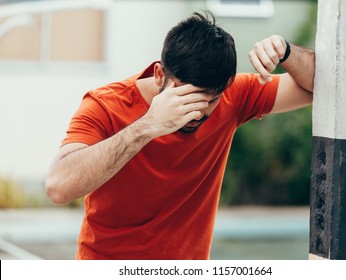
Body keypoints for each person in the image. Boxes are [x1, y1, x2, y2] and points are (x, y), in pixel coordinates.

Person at [45, 11, 315, 260]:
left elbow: (324, 85)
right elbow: (59, 187)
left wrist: (286, 51)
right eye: (186, 99)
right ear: (160, 75)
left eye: (208, 102)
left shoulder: (233, 96)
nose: (196, 114)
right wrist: (147, 125)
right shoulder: (105, 104)